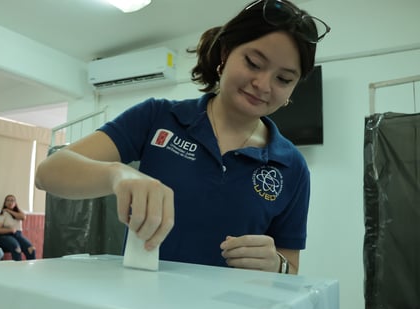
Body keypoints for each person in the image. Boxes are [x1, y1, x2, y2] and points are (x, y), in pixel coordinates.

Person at [35, 0, 330, 274]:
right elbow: (48, 173)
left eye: (283, 79)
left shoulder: (291, 166)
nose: (263, 84)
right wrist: (118, 175)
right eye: (253, 62)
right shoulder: (158, 118)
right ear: (226, 53)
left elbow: (291, 266)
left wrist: (277, 264)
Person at [0, 194, 36, 261]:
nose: (10, 202)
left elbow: (23, 217)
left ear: (15, 203)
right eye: (8, 200)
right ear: (5, 203)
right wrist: (9, 230)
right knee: (17, 248)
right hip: (5, 236)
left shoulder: (18, 213)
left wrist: (9, 210)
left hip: (18, 235)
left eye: (12, 200)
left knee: (31, 249)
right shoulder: (3, 214)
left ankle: (31, 268)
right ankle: (17, 269)